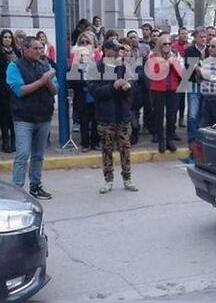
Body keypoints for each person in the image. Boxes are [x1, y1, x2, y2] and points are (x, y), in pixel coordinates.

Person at [7, 36, 58, 200]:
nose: (39, 51)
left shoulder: (45, 65)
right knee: (22, 155)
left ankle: (36, 186)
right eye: (35, 48)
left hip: (43, 116)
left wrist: (48, 81)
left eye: (41, 48)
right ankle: (17, 190)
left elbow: (55, 90)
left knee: (38, 155)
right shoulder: (14, 66)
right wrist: (42, 80)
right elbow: (19, 90)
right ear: (25, 49)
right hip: (24, 117)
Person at [93, 40, 138, 194]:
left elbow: (134, 89)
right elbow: (94, 91)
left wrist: (128, 87)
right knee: (107, 149)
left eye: (120, 49)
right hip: (106, 116)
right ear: (106, 50)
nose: (119, 52)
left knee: (125, 148)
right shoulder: (96, 67)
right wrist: (113, 87)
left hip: (123, 114)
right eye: (115, 49)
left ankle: (127, 177)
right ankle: (108, 179)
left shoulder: (124, 67)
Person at [148, 34, 184, 153]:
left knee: (171, 115)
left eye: (169, 43)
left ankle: (169, 139)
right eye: (165, 44)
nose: (168, 46)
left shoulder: (175, 55)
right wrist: (166, 63)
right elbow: (154, 73)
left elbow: (181, 74)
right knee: (159, 115)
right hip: (158, 90)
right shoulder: (153, 55)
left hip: (173, 89)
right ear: (160, 44)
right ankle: (161, 140)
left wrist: (173, 63)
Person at [0, 29, 19, 154]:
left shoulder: (17, 52)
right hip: (2, 87)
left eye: (9, 37)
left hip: (15, 87)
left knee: (14, 116)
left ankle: (14, 141)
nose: (7, 39)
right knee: (4, 116)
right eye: (5, 37)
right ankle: (5, 141)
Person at [70, 37, 100, 152]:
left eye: (86, 55)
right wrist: (84, 84)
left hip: (94, 97)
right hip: (82, 97)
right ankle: (85, 144)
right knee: (84, 122)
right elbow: (73, 82)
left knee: (95, 120)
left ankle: (95, 143)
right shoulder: (75, 68)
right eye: (81, 55)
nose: (83, 57)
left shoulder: (95, 67)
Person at [184, 27, 209, 146]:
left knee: (204, 113)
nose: (203, 39)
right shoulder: (190, 51)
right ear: (195, 38)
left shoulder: (210, 50)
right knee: (193, 114)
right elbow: (193, 69)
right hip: (193, 84)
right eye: (201, 37)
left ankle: (201, 139)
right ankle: (192, 140)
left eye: (205, 37)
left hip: (207, 85)